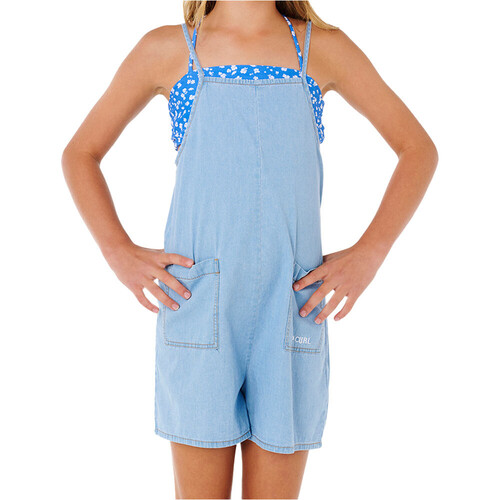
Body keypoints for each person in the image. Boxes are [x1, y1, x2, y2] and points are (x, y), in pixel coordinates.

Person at [61, 1, 438, 498]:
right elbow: (80, 153)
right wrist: (117, 251)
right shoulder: (170, 49)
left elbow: (418, 149)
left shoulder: (321, 49)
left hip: (292, 306)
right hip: (199, 306)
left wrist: (370, 253)